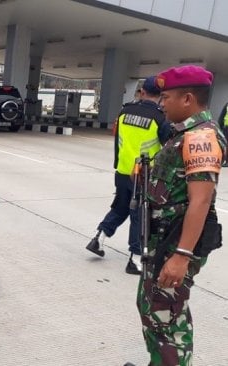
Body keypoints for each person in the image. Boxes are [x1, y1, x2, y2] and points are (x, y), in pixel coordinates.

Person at [131, 65, 226, 365]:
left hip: (176, 243)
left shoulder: (200, 138)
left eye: (166, 97)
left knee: (166, 313)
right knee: (153, 306)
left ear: (187, 99)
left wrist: (181, 256)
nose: (162, 104)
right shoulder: (184, 134)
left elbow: (200, 201)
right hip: (164, 239)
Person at [86, 76, 169, 275]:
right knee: (140, 215)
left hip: (123, 171)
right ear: (160, 96)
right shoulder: (160, 118)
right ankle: (135, 258)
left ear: (142, 92)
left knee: (121, 206)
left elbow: (118, 141)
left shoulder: (124, 112)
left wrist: (118, 163)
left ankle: (99, 238)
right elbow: (169, 146)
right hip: (144, 175)